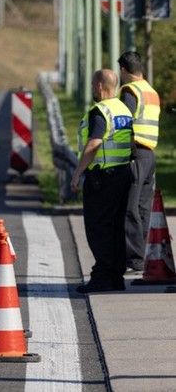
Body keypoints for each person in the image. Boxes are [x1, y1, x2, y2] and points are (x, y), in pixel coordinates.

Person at [70, 69, 133, 293]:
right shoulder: (122, 109)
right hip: (122, 173)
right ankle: (116, 277)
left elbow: (94, 143)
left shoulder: (100, 111)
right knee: (115, 227)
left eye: (91, 85)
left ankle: (102, 276)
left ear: (98, 87)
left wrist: (78, 172)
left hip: (103, 177)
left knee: (99, 228)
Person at [117, 51, 160, 273]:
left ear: (123, 70)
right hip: (150, 154)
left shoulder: (130, 91)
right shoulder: (151, 91)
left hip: (134, 153)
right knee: (143, 207)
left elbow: (125, 123)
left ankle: (134, 259)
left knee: (129, 207)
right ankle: (141, 256)